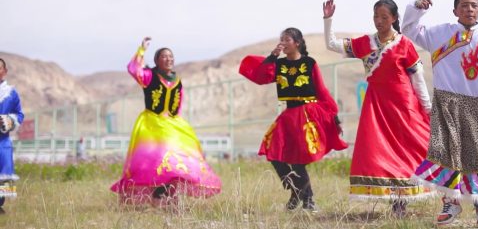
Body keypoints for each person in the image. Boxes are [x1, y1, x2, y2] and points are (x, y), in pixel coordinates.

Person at [402, 0, 478, 228]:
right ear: (455, 11)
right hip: (446, 105)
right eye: (464, 5)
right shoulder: (439, 34)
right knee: (445, 154)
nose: (470, 9)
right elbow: (409, 29)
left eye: (474, 5)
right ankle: (450, 202)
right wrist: (416, 7)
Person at [323, 0, 433, 216]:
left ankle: (404, 201)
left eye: (384, 17)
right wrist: (328, 19)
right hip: (377, 107)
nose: (379, 21)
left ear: (393, 18)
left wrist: (428, 108)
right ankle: (395, 203)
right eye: (376, 16)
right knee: (381, 151)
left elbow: (418, 79)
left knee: (407, 149)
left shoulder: (404, 44)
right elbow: (331, 44)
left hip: (403, 106)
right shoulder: (366, 43)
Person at [239, 28, 347, 212]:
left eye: (287, 39)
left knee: (298, 160)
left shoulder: (309, 63)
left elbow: (321, 90)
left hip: (308, 115)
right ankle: (296, 190)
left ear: (297, 43)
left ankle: (308, 200)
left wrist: (333, 115)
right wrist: (272, 57)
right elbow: (261, 77)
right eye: (281, 39)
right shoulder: (279, 64)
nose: (283, 42)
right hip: (289, 115)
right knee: (273, 152)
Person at [111, 37, 222, 206]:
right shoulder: (149, 76)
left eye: (171, 56)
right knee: (156, 161)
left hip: (172, 125)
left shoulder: (177, 80)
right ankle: (159, 194)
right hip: (152, 125)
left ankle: (166, 194)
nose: (169, 59)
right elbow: (134, 69)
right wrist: (142, 49)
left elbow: (179, 102)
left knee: (179, 160)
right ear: (157, 61)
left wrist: (174, 121)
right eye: (164, 56)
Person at [0, 58, 24, 210]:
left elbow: (20, 114)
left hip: (2, 141)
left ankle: (0, 205)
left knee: (4, 176)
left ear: (4, 71)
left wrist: (7, 121)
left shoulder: (12, 93)